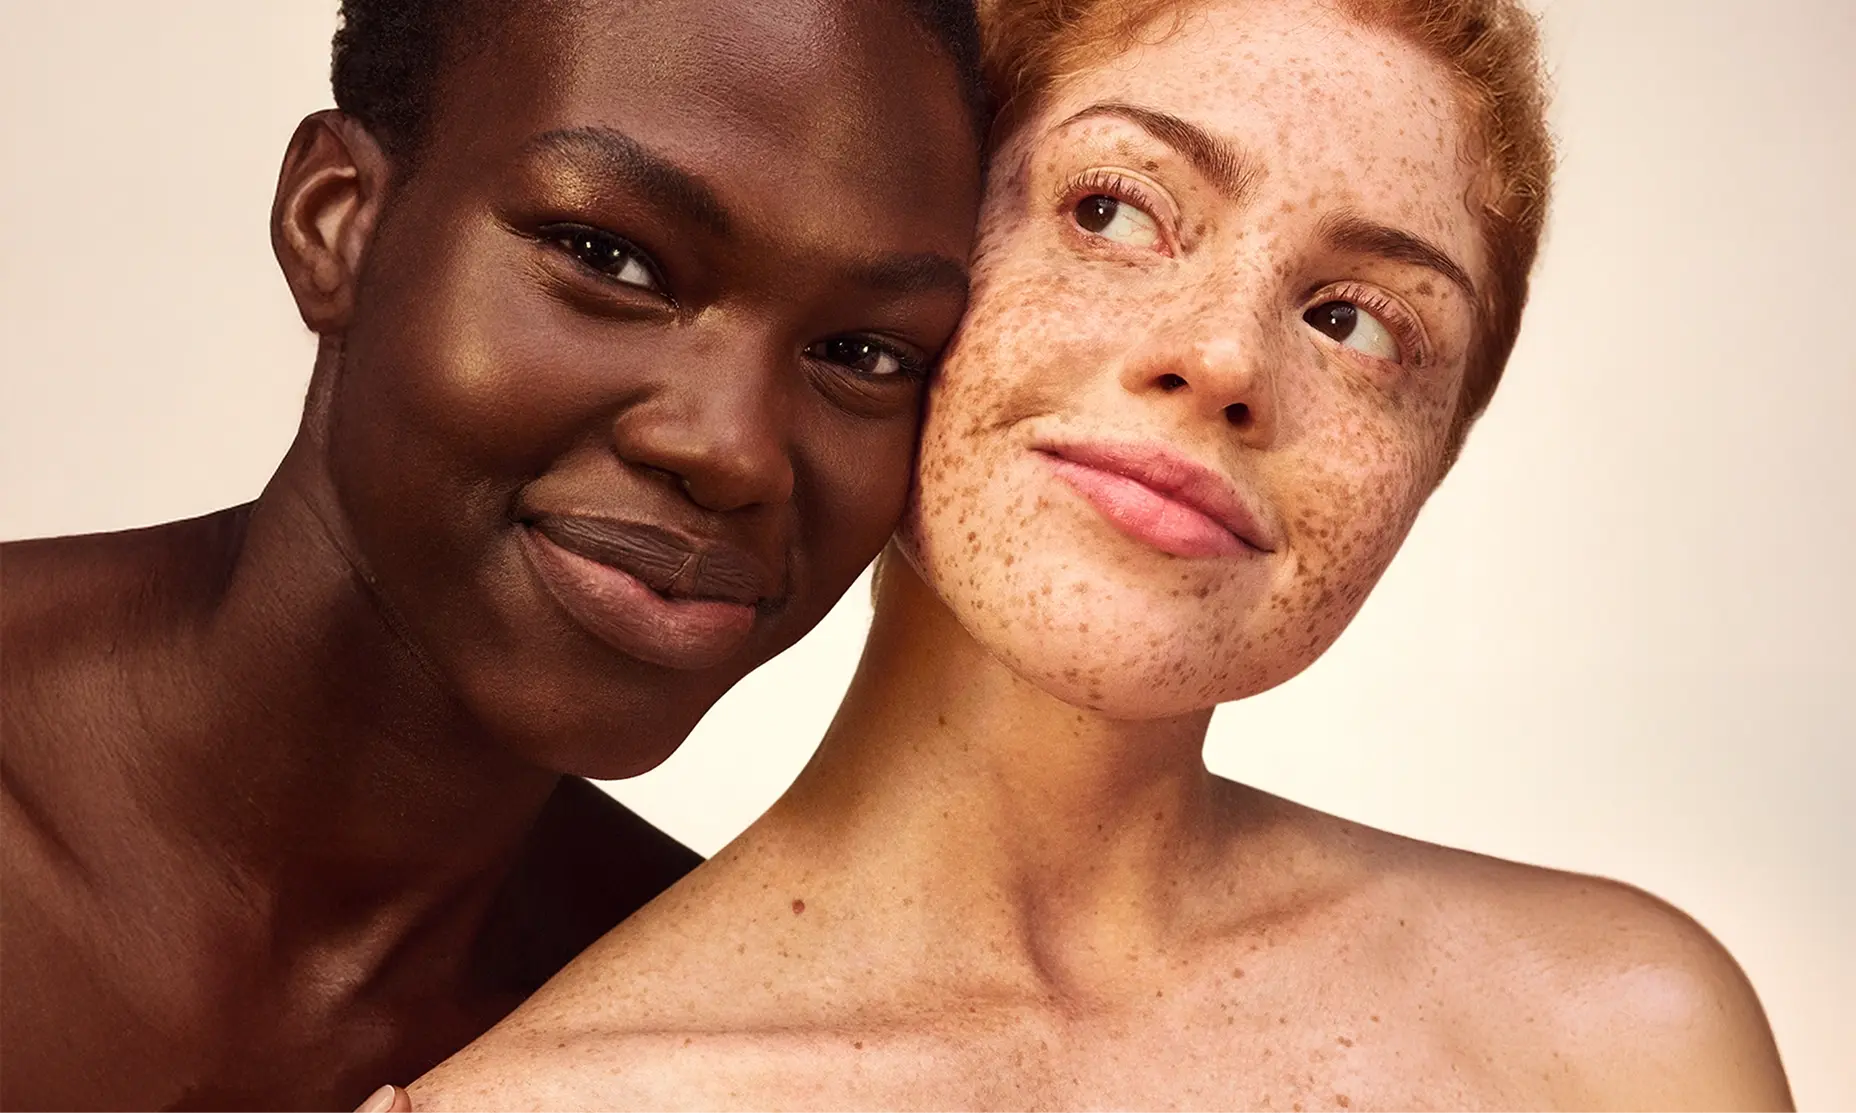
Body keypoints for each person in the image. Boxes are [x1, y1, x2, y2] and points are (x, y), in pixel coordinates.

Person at [393, 0, 1797, 1109]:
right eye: (1113, 209)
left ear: (1435, 459)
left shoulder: (1627, 1041)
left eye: (1356, 321)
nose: (1226, 357)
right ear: (919, 258)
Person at [0, 0, 986, 1108]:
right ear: (338, 221)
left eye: (864, 353)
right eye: (608, 259)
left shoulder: (713, 1053)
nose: (733, 450)